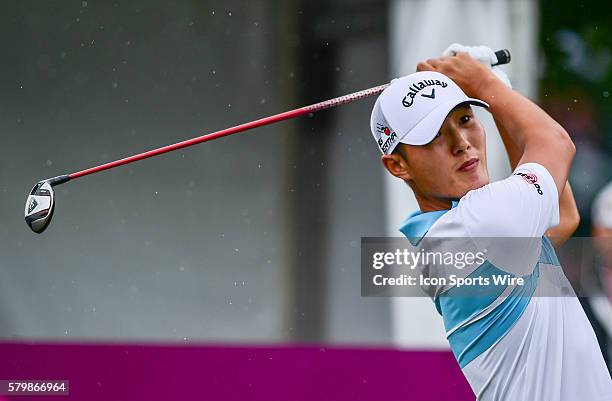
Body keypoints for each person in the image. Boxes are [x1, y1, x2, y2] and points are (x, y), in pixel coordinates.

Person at [370, 48, 612, 400]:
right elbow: (556, 144)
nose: (462, 144)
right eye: (434, 135)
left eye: (465, 119)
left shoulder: (449, 235)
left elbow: (563, 213)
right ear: (398, 166)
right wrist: (484, 82)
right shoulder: (478, 223)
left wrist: (496, 86)